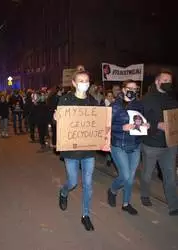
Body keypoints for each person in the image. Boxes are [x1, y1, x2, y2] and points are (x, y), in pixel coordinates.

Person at [56, 70, 98, 231]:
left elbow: (99, 123)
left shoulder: (93, 102)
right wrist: (56, 119)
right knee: (73, 182)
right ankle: (64, 193)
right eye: (80, 80)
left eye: (86, 80)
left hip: (88, 151)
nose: (84, 83)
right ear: (74, 83)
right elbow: (61, 125)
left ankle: (85, 215)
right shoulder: (65, 100)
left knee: (88, 184)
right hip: (71, 150)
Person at [107, 80, 149, 215]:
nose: (133, 91)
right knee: (125, 176)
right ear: (123, 89)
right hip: (119, 145)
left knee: (130, 178)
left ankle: (126, 203)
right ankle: (112, 190)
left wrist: (146, 125)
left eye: (135, 89)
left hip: (135, 145)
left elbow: (142, 120)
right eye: (130, 88)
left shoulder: (139, 104)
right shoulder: (115, 106)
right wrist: (121, 127)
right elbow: (106, 126)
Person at [140, 70, 178, 216]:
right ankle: (145, 194)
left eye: (170, 80)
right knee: (147, 174)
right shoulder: (147, 99)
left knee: (170, 176)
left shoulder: (173, 99)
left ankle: (173, 205)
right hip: (151, 144)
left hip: (170, 145)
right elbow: (139, 120)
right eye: (164, 80)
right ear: (157, 81)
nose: (167, 82)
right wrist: (157, 124)